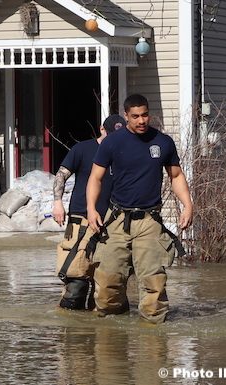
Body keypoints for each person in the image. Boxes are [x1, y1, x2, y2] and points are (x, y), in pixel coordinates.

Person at [86, 94, 193, 324]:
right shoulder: (112, 142)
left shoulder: (163, 142)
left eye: (145, 115)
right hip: (116, 219)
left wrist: (188, 205)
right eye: (135, 116)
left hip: (149, 220)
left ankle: (152, 346)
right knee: (107, 287)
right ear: (126, 116)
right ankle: (113, 338)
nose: (141, 120)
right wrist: (91, 209)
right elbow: (95, 178)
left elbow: (175, 176)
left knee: (154, 286)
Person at [54, 114, 126, 310]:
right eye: (111, 135)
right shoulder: (82, 149)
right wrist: (57, 202)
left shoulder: (123, 152)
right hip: (81, 220)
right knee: (76, 283)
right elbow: (61, 175)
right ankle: (71, 333)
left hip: (112, 221)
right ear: (102, 130)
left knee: (107, 286)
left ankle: (100, 332)